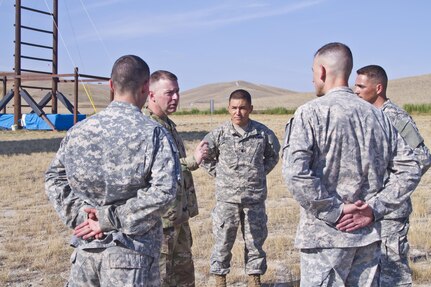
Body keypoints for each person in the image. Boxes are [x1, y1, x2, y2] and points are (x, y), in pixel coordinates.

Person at [282, 42, 421, 286]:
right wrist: (372, 209)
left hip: (325, 240)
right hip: (367, 239)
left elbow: (295, 174)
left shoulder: (310, 113)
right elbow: (410, 169)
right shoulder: (379, 116)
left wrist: (334, 211)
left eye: (314, 71)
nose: (313, 78)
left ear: (322, 71)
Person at [45, 55, 180, 287]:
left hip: (85, 252)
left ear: (111, 84)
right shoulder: (153, 133)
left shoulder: (78, 131)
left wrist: (83, 218)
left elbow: (54, 178)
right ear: (146, 87)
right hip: (132, 256)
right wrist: (105, 220)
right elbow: (165, 191)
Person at [355, 64, 431, 286]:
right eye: (355, 86)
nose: (356, 91)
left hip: (390, 212)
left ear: (378, 88)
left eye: (361, 86)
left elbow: (422, 158)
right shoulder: (369, 116)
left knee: (393, 273)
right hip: (368, 208)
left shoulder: (394, 117)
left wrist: (391, 191)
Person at [201, 89, 280, 287]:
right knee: (223, 242)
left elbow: (273, 156)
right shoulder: (219, 133)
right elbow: (204, 156)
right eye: (234, 108)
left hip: (254, 199)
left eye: (243, 108)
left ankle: (254, 279)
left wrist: (258, 174)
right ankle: (220, 280)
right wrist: (220, 175)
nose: (238, 112)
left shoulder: (263, 133)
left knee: (255, 242)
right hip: (227, 199)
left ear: (250, 109)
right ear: (228, 108)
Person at [144, 70, 208, 287]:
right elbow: (156, 170)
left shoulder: (167, 125)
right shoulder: (147, 128)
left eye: (177, 92)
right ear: (151, 95)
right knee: (160, 277)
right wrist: (192, 160)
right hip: (160, 222)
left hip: (178, 215)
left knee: (183, 276)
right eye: (169, 93)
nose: (175, 98)